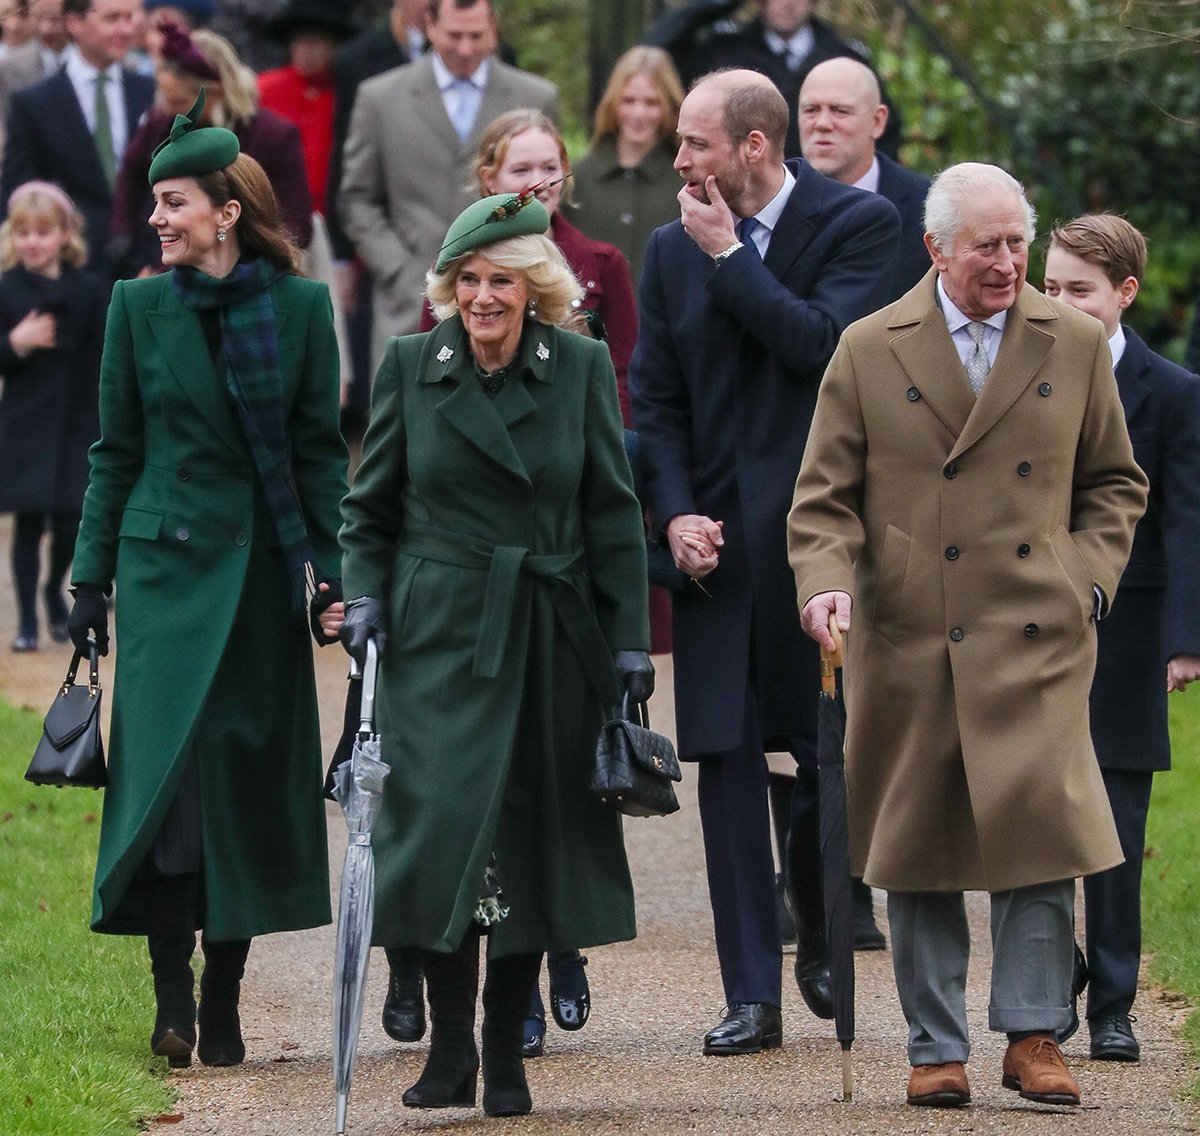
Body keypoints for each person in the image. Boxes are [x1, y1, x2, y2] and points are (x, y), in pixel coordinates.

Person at [788, 163, 1148, 1109]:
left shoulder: (1072, 340)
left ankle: (1034, 1035)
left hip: (1038, 631)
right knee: (921, 841)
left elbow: (1116, 482)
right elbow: (822, 497)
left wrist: (1086, 581)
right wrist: (826, 585)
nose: (1007, 262)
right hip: (912, 632)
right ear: (936, 248)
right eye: (986, 245)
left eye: (1018, 242)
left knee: (1039, 833)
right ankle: (933, 1043)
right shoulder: (870, 347)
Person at [338, 191, 652, 1117]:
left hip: (549, 634)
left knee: (528, 842)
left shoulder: (582, 368)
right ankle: (447, 1050)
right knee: (435, 839)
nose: (481, 297)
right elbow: (370, 509)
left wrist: (629, 643)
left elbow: (613, 515)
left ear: (535, 289)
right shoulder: (408, 366)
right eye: (467, 281)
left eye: (500, 281)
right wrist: (365, 597)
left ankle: (506, 1052)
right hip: (438, 635)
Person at [65, 93, 348, 1070]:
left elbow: (320, 457)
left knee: (241, 789)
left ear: (227, 210)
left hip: (262, 581)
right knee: (168, 789)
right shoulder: (136, 307)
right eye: (154, 203)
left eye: (173, 202)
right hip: (161, 579)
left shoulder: (304, 310)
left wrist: (332, 574)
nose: (156, 220)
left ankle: (225, 991)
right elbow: (113, 453)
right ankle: (170, 991)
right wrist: (89, 581)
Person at [629, 68, 900, 1056]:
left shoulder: (856, 228)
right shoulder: (668, 249)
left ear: (753, 146)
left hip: (814, 544)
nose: (680, 162)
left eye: (696, 143)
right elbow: (652, 395)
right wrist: (671, 514)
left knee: (826, 753)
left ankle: (824, 922)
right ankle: (752, 989)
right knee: (727, 762)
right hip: (714, 554)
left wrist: (732, 257)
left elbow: (825, 350)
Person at [1043, 214, 1200, 1063]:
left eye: (1078, 290)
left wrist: (1186, 639)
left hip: (1129, 628)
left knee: (1115, 813)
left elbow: (1188, 519)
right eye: (1051, 286)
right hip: (1029, 621)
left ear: (1124, 294)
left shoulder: (1171, 392)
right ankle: (1046, 973)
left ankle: (1113, 1000)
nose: (1058, 303)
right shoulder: (1017, 370)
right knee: (1029, 804)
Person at [337, 0, 556, 365]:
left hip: (506, 303)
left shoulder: (534, 97)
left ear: (494, 31)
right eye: (454, 35)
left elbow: (547, 192)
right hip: (409, 301)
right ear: (429, 27)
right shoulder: (380, 98)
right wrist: (396, 268)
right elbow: (357, 198)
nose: (465, 49)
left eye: (477, 36)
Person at [110, 20, 312, 276]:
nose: (169, 110)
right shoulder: (161, 124)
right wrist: (125, 237)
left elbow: (295, 225)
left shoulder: (272, 137)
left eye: (179, 101)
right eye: (166, 100)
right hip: (160, 266)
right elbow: (131, 177)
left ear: (216, 93)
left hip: (246, 276)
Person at [0, 179, 103, 651]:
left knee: (70, 520)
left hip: (77, 421)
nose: (33, 243)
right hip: (25, 421)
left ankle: (52, 590)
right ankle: (25, 619)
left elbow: (104, 351)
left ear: (65, 234)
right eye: (24, 233)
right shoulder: (6, 289)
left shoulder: (88, 289)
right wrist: (15, 343)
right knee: (28, 522)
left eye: (43, 233)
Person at [0, 0, 153, 278]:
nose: (125, 29)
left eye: (131, 18)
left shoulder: (150, 93)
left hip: (146, 269)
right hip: (71, 277)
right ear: (74, 23)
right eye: (112, 18)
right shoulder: (33, 104)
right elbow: (17, 192)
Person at [645, 0, 899, 161]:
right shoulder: (725, 50)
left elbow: (884, 132)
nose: (787, 3)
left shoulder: (845, 55)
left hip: (827, 193)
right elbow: (652, 52)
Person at [798, 56, 930, 301]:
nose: (822, 124)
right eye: (811, 110)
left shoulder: (929, 208)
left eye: (840, 111)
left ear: (877, 122)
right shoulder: (770, 203)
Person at [570, 44, 684, 288]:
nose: (638, 113)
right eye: (628, 100)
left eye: (652, 102)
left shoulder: (687, 181)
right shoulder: (576, 178)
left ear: (669, 107)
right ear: (613, 103)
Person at [256, 0, 353, 221]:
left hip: (335, 216)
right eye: (298, 41)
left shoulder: (345, 91)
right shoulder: (264, 89)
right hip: (276, 214)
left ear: (334, 44)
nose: (304, 50)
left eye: (314, 42)